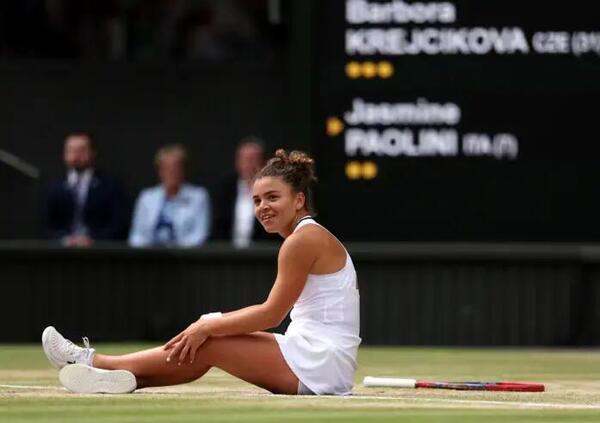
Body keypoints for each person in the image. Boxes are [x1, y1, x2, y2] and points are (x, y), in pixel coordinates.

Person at [42, 149, 361, 396]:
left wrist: (208, 326)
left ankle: (94, 362)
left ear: (299, 200)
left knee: (208, 339)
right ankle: (117, 376)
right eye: (257, 199)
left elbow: (271, 314)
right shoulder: (303, 238)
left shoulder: (302, 240)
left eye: (273, 197)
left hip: (321, 365)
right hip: (320, 361)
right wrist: (209, 326)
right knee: (207, 338)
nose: (262, 206)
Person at [43, 132, 128, 246]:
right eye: (71, 150)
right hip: (60, 251)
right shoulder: (54, 186)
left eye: (81, 150)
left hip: (100, 251)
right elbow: (46, 225)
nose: (76, 155)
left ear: (93, 153)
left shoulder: (110, 185)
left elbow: (118, 224)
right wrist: (64, 239)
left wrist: (93, 240)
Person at [128, 144, 211, 247]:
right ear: (160, 171)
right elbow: (137, 235)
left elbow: (199, 236)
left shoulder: (199, 197)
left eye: (176, 167)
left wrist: (172, 253)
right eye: (167, 168)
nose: (172, 172)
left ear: (183, 170)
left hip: (184, 258)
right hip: (149, 258)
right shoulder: (146, 197)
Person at [212, 138, 277, 247]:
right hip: (226, 255)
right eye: (244, 159)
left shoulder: (274, 191)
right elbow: (218, 227)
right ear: (237, 163)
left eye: (253, 159)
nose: (248, 164)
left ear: (264, 163)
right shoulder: (225, 189)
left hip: (262, 255)